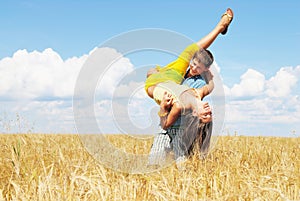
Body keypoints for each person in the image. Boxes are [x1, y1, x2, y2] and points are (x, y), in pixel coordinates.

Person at [148, 8, 234, 167]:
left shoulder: (199, 84)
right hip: (167, 124)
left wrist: (205, 90)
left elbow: (199, 96)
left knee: (186, 162)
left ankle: (196, 157)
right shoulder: (179, 73)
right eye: (193, 65)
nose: (194, 69)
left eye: (199, 68)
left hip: (183, 126)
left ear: (205, 70)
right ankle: (220, 27)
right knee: (157, 161)